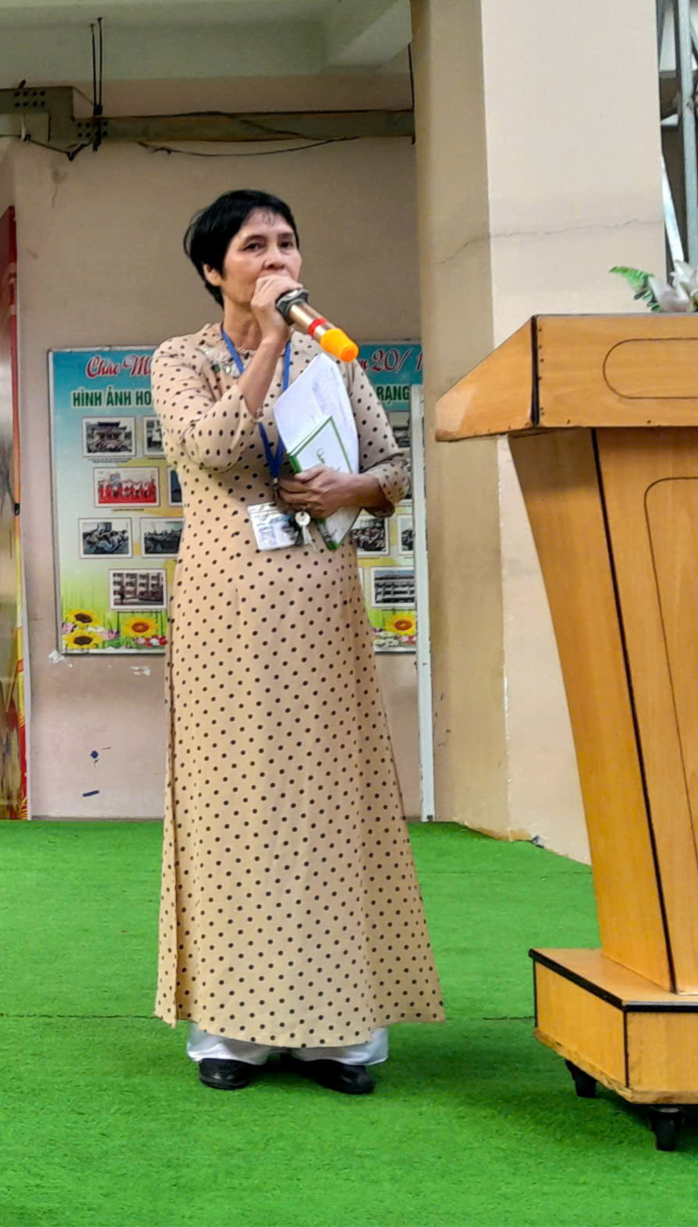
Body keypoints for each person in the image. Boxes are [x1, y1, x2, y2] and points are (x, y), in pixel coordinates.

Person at [149, 189, 444, 1095]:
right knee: (229, 805)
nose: (277, 259)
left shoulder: (335, 355)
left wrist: (352, 488)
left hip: (319, 599)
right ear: (214, 270)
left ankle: (339, 1034)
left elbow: (393, 469)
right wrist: (273, 340)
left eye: (287, 243)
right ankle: (231, 1031)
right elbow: (212, 448)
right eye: (254, 246)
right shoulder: (181, 359)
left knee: (326, 800)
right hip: (225, 605)